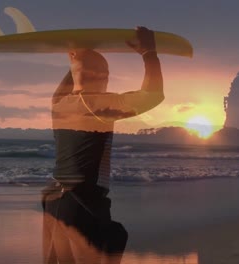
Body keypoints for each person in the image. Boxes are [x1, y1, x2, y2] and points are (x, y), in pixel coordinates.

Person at [42, 26, 164, 264]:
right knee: (114, 239)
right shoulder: (99, 106)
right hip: (84, 202)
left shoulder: (59, 104)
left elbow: (72, 81)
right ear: (101, 76)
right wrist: (149, 52)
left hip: (56, 201)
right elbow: (153, 95)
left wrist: (76, 57)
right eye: (105, 73)